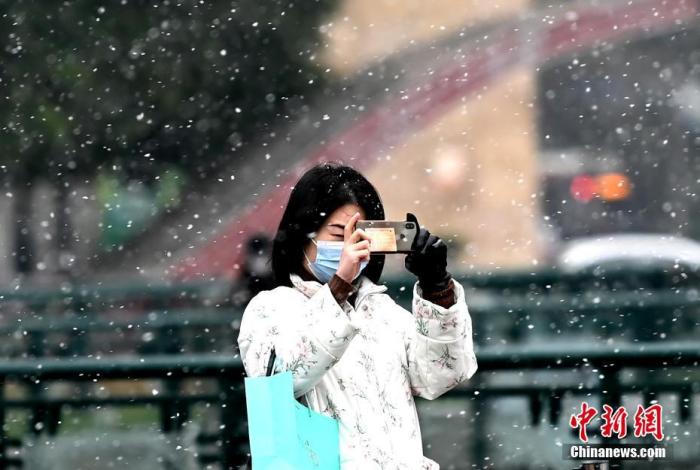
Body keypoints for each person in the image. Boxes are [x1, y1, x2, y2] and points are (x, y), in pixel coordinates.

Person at [237, 162, 478, 469]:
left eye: (360, 236)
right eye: (339, 235)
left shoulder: (381, 310)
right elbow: (284, 379)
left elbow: (442, 375)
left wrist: (437, 287)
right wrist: (339, 286)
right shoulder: (271, 309)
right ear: (301, 235)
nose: (350, 247)